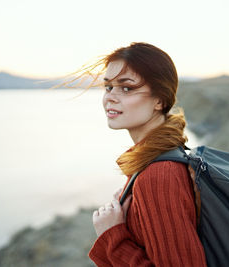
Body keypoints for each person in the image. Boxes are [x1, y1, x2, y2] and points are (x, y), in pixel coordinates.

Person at [72, 42, 207, 266]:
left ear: (160, 100)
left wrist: (113, 234)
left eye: (126, 88)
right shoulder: (164, 156)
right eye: (108, 87)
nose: (110, 97)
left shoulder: (159, 174)